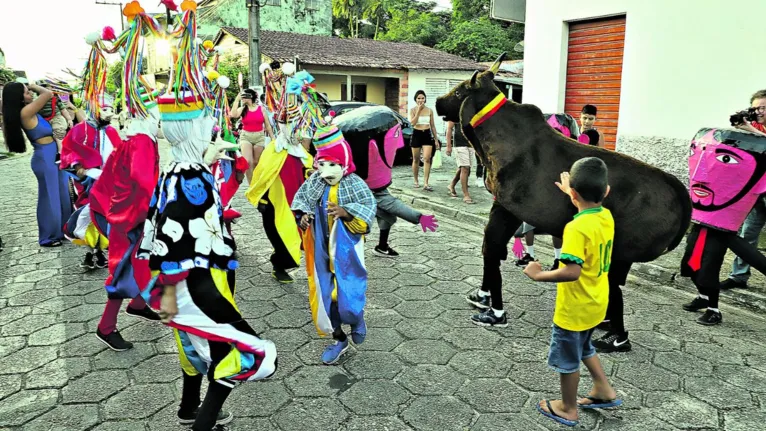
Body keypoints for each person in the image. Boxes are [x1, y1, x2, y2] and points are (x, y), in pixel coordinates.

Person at [523, 158, 622, 427]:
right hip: (597, 301)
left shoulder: (575, 228)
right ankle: (604, 390)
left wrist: (538, 274)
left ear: (574, 194)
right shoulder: (605, 216)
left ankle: (568, 408)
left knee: (568, 358)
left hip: (574, 308)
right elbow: (588, 209)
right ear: (607, 192)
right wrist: (573, 193)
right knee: (585, 346)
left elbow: (571, 272)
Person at [292, 124, 377, 365]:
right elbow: (301, 201)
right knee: (325, 295)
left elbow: (367, 209)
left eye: (333, 165)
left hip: (345, 249)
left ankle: (356, 318)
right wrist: (303, 216)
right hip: (320, 247)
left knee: (348, 293)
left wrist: (346, 213)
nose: (326, 171)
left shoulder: (355, 184)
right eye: (322, 164)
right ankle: (339, 338)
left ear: (345, 164)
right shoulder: (315, 183)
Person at [1, 82, 72, 247]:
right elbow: (48, 94)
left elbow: (54, 104)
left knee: (62, 195)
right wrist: (34, 86)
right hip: (44, 158)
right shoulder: (26, 111)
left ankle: (63, 230)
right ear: (19, 97)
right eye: (27, 93)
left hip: (54, 156)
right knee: (49, 198)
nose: (31, 94)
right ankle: (47, 236)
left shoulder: (30, 110)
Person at [60, 94, 120, 269]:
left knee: (102, 215)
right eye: (105, 109)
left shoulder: (111, 131)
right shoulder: (80, 130)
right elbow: (68, 149)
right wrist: (78, 166)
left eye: (111, 110)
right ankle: (90, 252)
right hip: (86, 181)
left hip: (108, 182)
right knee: (86, 215)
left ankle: (100, 252)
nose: (108, 114)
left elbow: (120, 153)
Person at [719, 90, 766, 290]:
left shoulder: (757, 130)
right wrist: (741, 129)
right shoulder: (754, 126)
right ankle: (738, 276)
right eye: (755, 108)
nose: (759, 112)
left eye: (763, 107)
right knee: (748, 234)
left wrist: (752, 131)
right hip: (758, 191)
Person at [230, 88, 275, 183]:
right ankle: (251, 184)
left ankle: (257, 182)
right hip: (246, 136)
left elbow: (267, 125)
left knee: (256, 162)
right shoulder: (243, 109)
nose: (243, 98)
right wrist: (237, 100)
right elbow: (233, 115)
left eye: (244, 96)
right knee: (247, 162)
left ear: (250, 97)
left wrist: (273, 138)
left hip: (259, 137)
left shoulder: (261, 109)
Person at [408, 90, 440, 191]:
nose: (421, 100)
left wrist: (436, 139)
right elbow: (412, 123)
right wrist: (418, 110)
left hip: (426, 133)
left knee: (427, 158)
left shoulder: (429, 110)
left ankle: (426, 182)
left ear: (425, 99)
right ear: (415, 99)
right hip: (416, 133)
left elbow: (433, 126)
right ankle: (416, 180)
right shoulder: (413, 110)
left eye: (422, 98)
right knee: (416, 159)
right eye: (419, 98)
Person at [37, 84, 74, 152]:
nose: (49, 92)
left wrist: (69, 119)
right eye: (46, 90)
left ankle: (61, 151)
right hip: (44, 120)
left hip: (56, 118)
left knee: (58, 131)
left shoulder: (55, 99)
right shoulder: (37, 101)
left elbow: (63, 110)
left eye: (50, 90)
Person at [446, 120, 475, 204]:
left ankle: (451, 185)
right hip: (459, 144)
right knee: (465, 168)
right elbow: (449, 128)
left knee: (466, 168)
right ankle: (466, 195)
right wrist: (449, 146)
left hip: (471, 144)